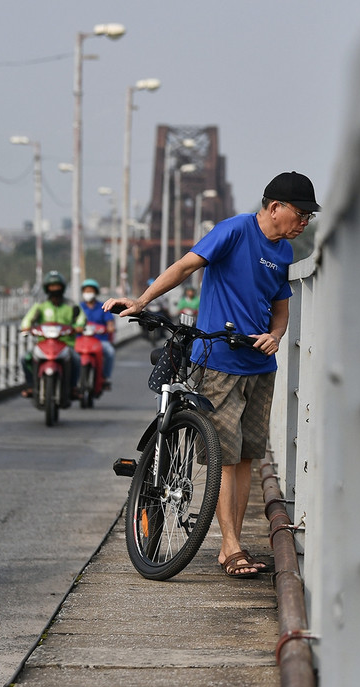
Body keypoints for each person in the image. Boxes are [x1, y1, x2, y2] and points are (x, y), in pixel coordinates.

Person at [105, 171, 318, 579]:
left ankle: (230, 544)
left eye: (309, 214)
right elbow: (186, 266)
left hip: (259, 365)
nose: (305, 220)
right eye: (301, 212)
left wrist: (276, 336)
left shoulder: (284, 252)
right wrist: (142, 300)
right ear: (275, 208)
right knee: (222, 456)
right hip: (219, 361)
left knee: (245, 459)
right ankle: (232, 547)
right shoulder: (235, 230)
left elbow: (280, 309)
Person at [20, 271, 85, 400]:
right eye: (52, 287)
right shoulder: (40, 306)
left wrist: (79, 325)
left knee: (77, 360)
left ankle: (73, 387)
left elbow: (81, 317)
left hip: (66, 344)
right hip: (43, 344)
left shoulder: (71, 305)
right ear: (47, 288)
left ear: (62, 287)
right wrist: (26, 327)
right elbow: (28, 319)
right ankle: (31, 385)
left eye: (57, 286)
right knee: (25, 358)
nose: (55, 290)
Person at [78, 278, 116, 390]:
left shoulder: (103, 307)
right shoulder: (79, 308)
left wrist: (110, 327)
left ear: (95, 292)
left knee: (110, 352)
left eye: (90, 290)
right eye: (86, 291)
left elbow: (110, 323)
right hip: (81, 341)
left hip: (99, 341)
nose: (88, 293)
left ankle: (106, 377)